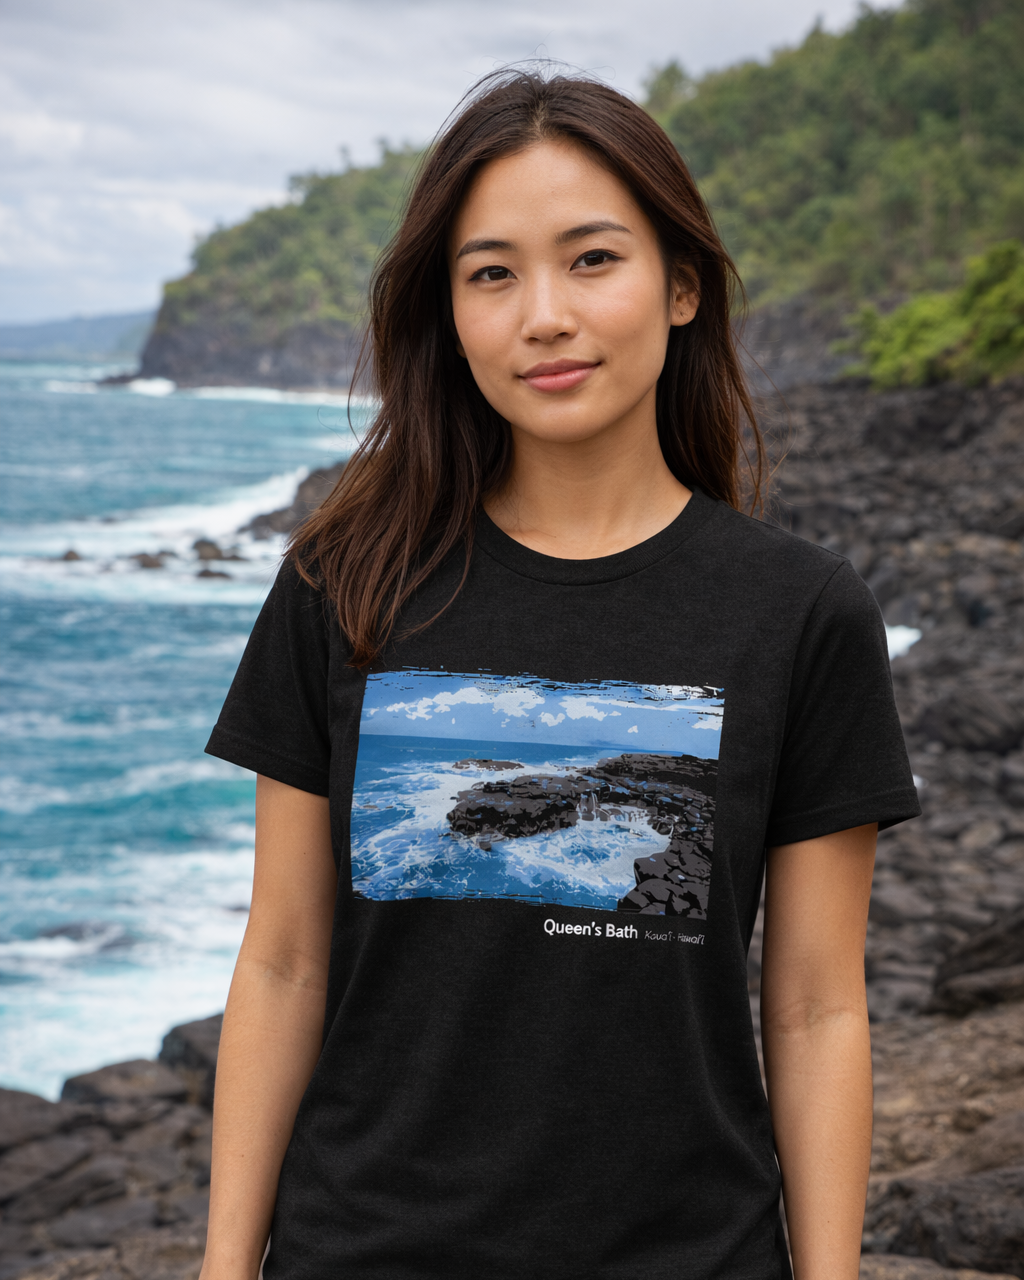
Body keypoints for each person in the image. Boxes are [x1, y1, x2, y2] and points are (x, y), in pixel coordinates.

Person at [200, 69, 920, 1280]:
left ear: (680, 285)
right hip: (361, 1250)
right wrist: (224, 1265)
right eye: (492, 273)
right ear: (451, 311)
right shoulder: (346, 582)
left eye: (592, 259)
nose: (543, 314)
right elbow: (282, 957)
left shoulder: (798, 612)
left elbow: (812, 1004)